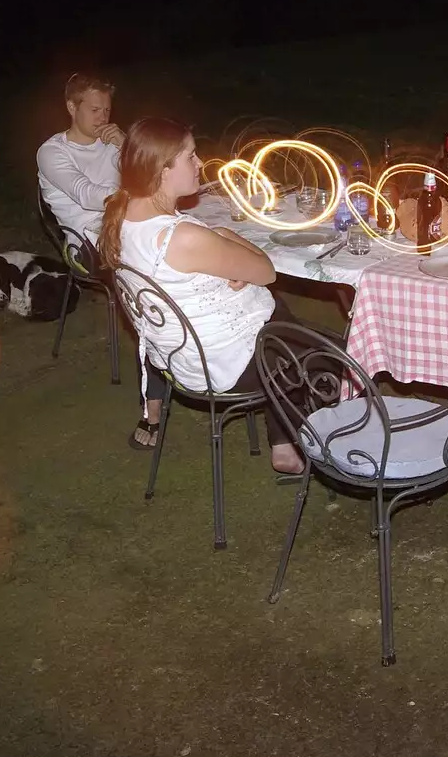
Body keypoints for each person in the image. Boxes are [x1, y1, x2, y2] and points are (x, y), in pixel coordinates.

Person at [98, 117, 309, 475]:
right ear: (162, 170)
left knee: (278, 317)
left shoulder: (119, 220)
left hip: (178, 361)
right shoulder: (182, 236)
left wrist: (221, 262)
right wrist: (226, 235)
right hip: (224, 367)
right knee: (327, 355)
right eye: (191, 157)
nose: (201, 164)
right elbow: (267, 270)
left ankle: (285, 442)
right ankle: (315, 436)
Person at [37, 73, 124, 245]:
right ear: (72, 107)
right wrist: (137, 198)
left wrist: (127, 146)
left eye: (107, 110)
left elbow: (147, 173)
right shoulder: (52, 152)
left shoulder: (113, 141)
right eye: (94, 110)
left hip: (125, 221)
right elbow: (86, 194)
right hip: (87, 239)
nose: (103, 118)